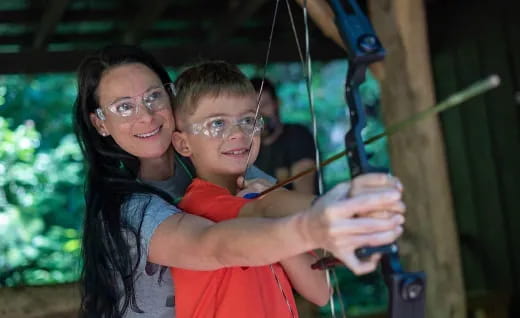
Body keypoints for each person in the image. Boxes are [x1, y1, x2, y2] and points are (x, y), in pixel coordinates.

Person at [73, 45, 405, 318]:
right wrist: (311, 227)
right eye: (123, 107)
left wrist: (347, 207)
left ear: (170, 97)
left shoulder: (224, 163)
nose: (145, 115)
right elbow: (214, 244)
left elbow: (271, 202)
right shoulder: (126, 206)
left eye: (153, 97)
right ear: (100, 123)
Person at [169, 61, 329, 318]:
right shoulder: (199, 206)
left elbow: (321, 292)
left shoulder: (260, 202)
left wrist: (270, 207)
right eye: (217, 124)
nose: (238, 133)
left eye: (247, 120)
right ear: (183, 143)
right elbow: (260, 209)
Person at [251, 77, 317, 194]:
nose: (259, 115)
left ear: (277, 103)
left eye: (264, 105)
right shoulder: (246, 148)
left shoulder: (297, 135)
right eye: (253, 110)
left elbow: (304, 191)